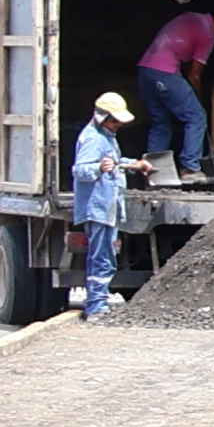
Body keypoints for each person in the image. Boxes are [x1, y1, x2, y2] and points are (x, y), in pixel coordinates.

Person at [136, 0, 214, 184]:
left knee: (160, 123)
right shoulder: (207, 34)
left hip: (145, 71)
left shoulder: (192, 17)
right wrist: (198, 100)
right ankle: (190, 168)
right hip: (165, 72)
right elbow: (195, 76)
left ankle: (153, 173)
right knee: (196, 117)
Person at [69, 90, 136, 318]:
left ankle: (98, 301)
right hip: (97, 207)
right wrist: (98, 168)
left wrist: (135, 165)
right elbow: (80, 170)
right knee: (101, 257)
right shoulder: (93, 139)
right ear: (103, 118)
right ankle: (96, 305)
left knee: (105, 256)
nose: (118, 125)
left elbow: (114, 162)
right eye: (114, 121)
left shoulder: (107, 137)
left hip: (107, 206)